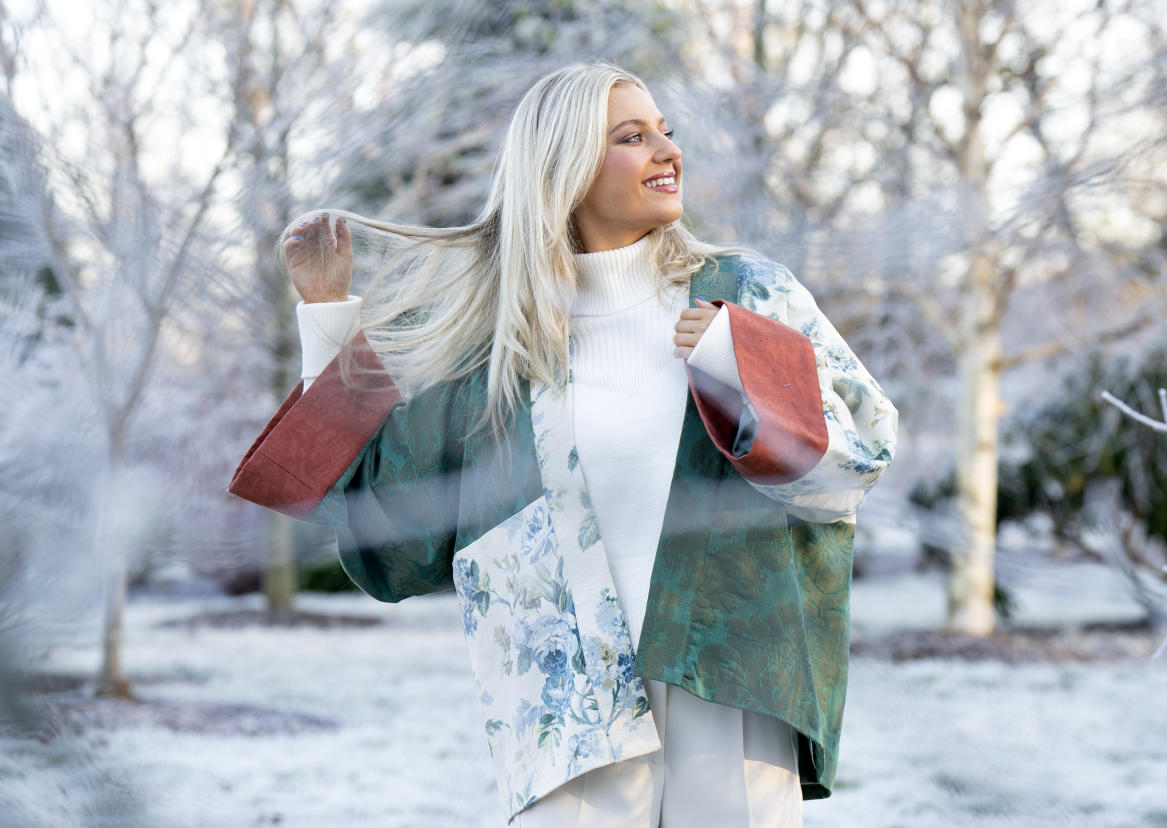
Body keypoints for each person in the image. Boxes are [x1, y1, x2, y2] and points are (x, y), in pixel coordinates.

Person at [229, 61, 898, 827]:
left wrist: (738, 365)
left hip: (732, 681)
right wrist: (328, 316)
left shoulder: (747, 292)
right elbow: (384, 522)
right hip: (565, 709)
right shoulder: (497, 351)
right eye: (631, 136)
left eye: (666, 133)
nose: (667, 151)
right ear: (565, 167)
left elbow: (855, 464)